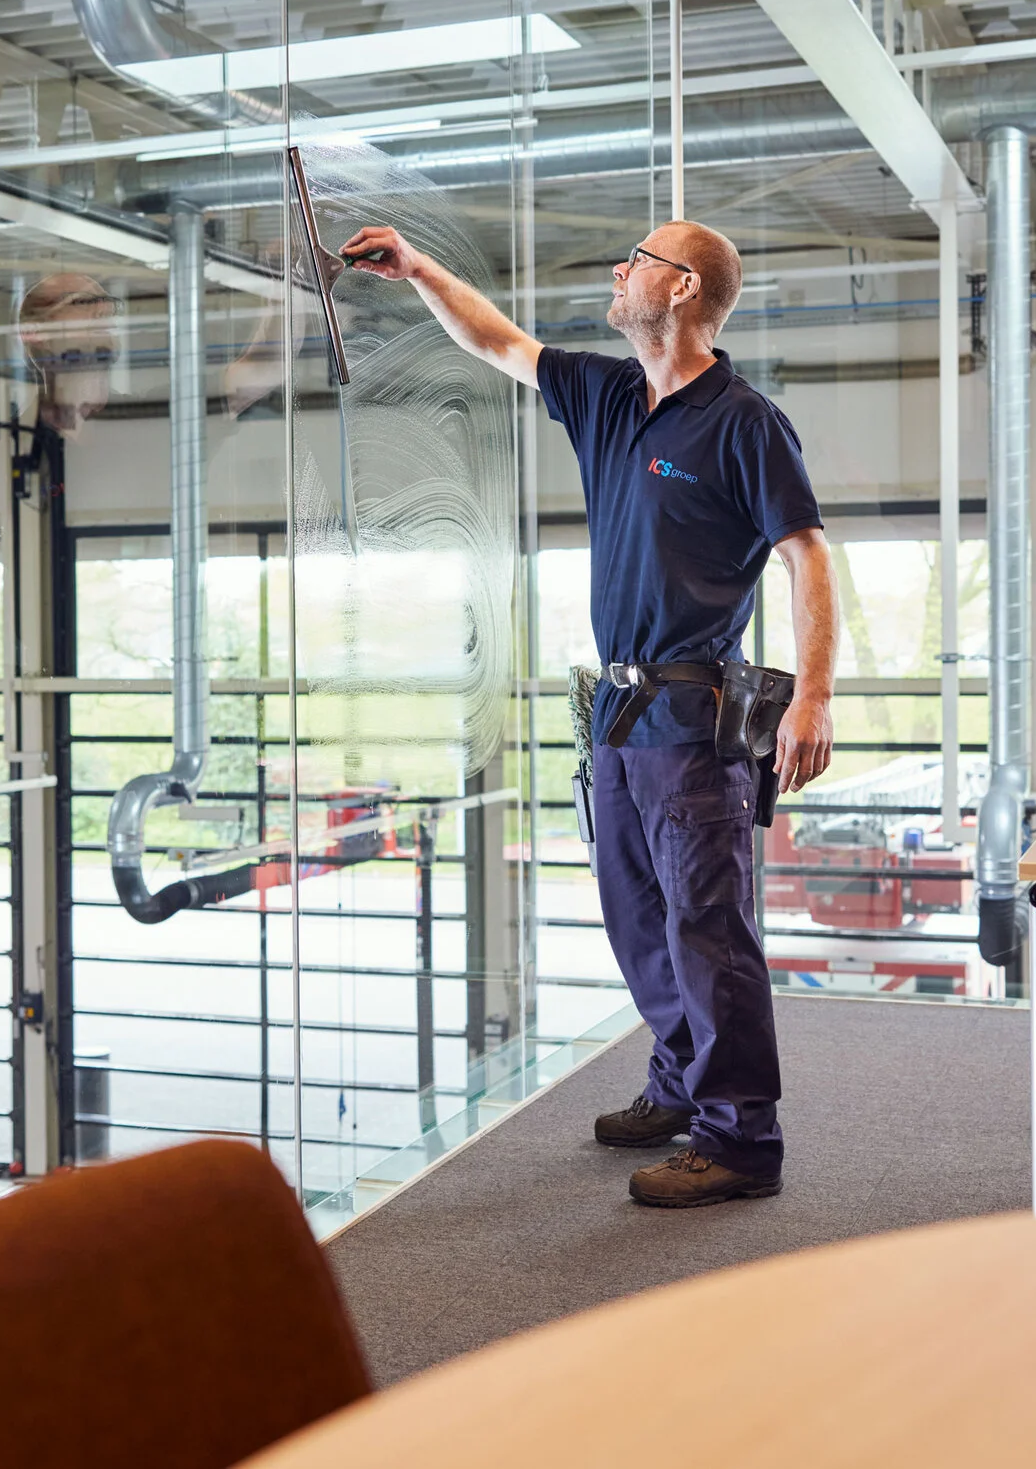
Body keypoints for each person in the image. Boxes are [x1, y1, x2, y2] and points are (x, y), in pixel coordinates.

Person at [340, 218, 837, 1209]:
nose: (619, 270)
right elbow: (494, 340)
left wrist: (813, 693)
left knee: (707, 927)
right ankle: (677, 1084)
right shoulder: (607, 394)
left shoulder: (743, 421)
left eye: (638, 260)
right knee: (638, 917)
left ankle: (742, 1136)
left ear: (684, 287)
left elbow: (805, 554)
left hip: (693, 716)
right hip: (614, 710)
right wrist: (418, 267)